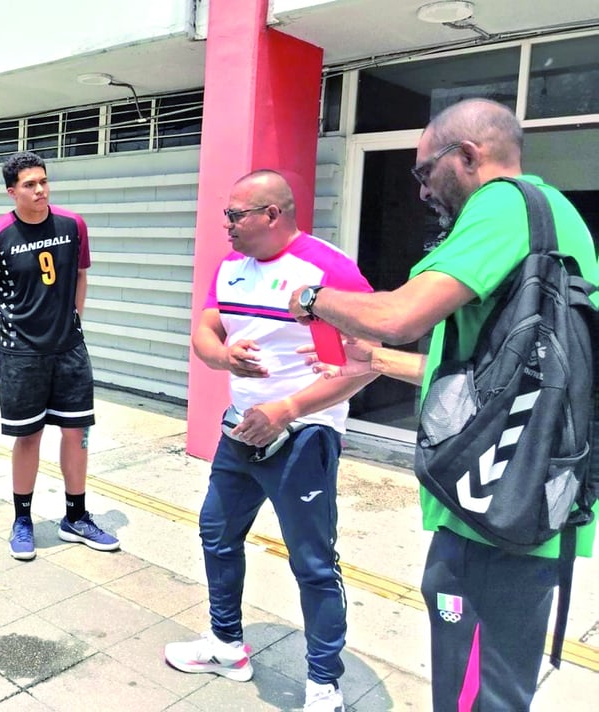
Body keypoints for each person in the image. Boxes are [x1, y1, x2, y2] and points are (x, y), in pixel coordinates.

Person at [286, 97, 598, 710]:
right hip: (523, 494)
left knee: (477, 693)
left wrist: (311, 296)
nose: (423, 189)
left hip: (498, 512)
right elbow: (492, 371)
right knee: (486, 683)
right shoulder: (555, 213)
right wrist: (373, 362)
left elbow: (399, 314)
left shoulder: (503, 205)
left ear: (469, 157)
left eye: (425, 172)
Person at [164, 170, 377, 712]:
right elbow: (205, 332)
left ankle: (324, 684)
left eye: (237, 215)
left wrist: (286, 411)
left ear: (273, 215)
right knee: (216, 533)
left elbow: (369, 362)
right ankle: (226, 645)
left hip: (304, 435)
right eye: (227, 214)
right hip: (240, 427)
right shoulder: (231, 266)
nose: (226, 225)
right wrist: (222, 355)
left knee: (312, 564)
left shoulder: (328, 268)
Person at [0, 151, 119, 561]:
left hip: (69, 351)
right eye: (30, 184)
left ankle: (76, 516)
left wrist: (73, 324)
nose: (40, 190)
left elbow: (81, 276)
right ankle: (22, 520)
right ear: (11, 191)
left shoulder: (73, 226)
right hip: (20, 355)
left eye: (43, 181)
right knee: (28, 437)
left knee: (77, 434)